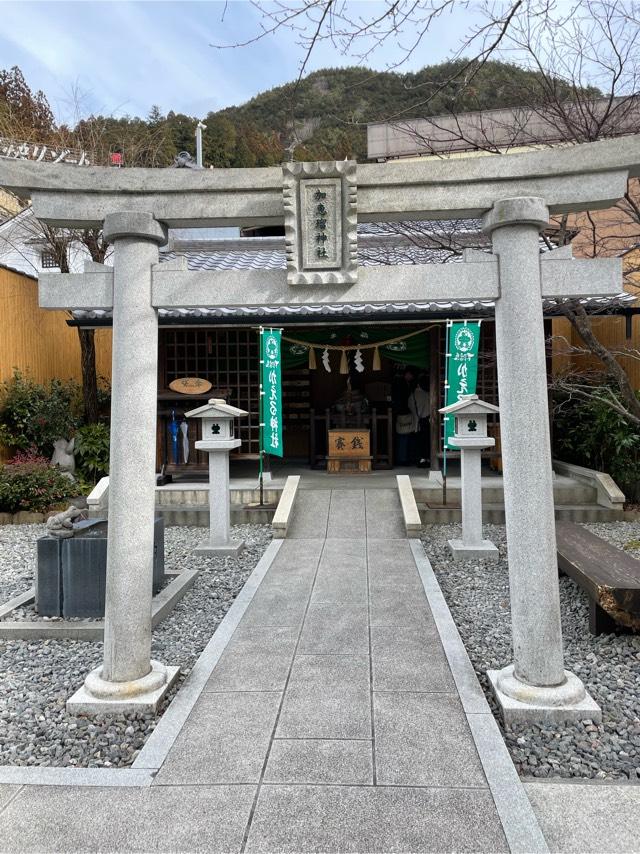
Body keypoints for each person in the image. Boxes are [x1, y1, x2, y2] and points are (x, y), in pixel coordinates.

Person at [392, 367, 416, 466]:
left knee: (403, 437)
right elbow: (402, 399)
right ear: (407, 374)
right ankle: (402, 458)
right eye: (411, 375)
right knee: (403, 436)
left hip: (401, 412)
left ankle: (402, 458)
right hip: (403, 413)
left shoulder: (401, 383)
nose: (412, 377)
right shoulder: (401, 384)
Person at [409, 374, 430, 467]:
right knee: (427, 441)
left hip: (417, 422)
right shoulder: (429, 395)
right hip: (428, 421)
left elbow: (410, 407)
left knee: (418, 442)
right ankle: (427, 459)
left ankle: (420, 459)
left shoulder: (412, 396)